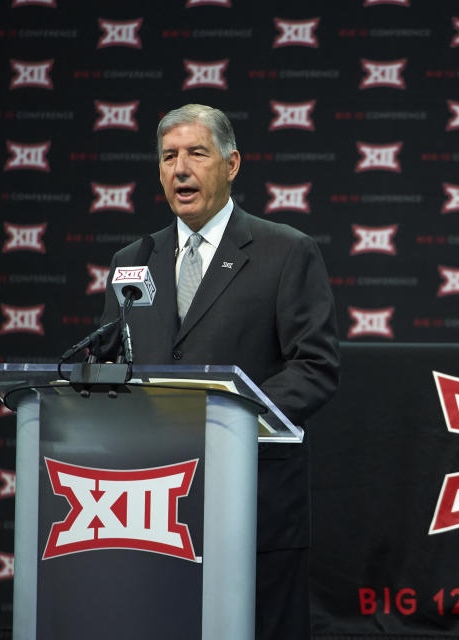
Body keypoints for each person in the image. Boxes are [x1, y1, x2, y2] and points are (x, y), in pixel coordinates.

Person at [96, 103, 340, 639]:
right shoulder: (132, 260)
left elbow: (315, 365)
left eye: (196, 154)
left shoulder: (285, 252)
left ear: (232, 165)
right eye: (169, 157)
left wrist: (226, 427)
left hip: (252, 504)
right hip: (150, 505)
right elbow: (111, 364)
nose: (180, 168)